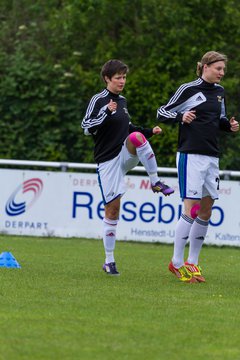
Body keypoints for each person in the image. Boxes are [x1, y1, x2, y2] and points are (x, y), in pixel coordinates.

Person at [81, 59, 174, 275]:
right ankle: (109, 261)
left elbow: (127, 127)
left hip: (124, 152)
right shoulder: (99, 100)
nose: (122, 81)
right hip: (107, 161)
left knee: (137, 136)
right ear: (107, 79)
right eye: (118, 77)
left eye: (124, 77)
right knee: (113, 210)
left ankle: (155, 181)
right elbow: (86, 127)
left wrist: (150, 131)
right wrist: (105, 112)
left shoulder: (122, 101)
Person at [157, 51, 239, 283]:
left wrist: (229, 126)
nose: (222, 73)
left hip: (212, 156)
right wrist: (181, 116)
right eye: (219, 68)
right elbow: (162, 112)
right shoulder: (189, 89)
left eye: (223, 69)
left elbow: (218, 120)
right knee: (191, 209)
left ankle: (192, 262)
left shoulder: (220, 93)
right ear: (205, 67)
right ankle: (176, 262)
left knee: (206, 209)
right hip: (190, 155)